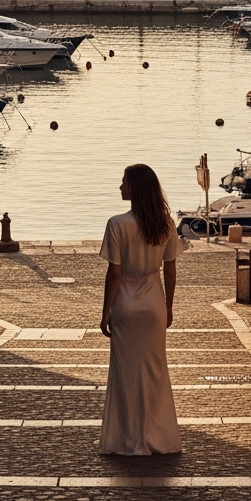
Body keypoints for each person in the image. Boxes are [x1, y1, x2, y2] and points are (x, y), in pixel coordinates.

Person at [98, 164, 183, 455]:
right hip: (154, 303)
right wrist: (168, 307)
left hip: (125, 305)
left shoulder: (117, 224)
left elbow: (114, 275)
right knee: (155, 372)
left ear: (135, 188)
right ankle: (158, 437)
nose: (120, 187)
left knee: (125, 374)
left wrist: (105, 312)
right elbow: (170, 272)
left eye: (124, 182)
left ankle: (126, 440)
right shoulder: (166, 224)